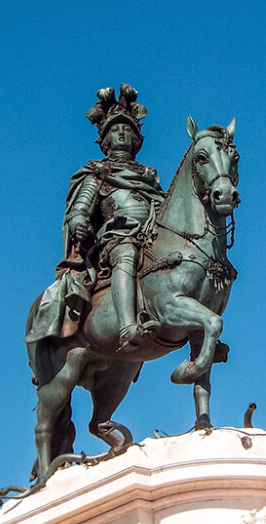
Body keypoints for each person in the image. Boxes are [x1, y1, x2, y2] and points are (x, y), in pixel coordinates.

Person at [26, 84, 165, 348]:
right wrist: (79, 222)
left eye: (127, 129)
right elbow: (80, 209)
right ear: (105, 138)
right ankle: (127, 326)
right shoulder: (96, 173)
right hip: (115, 240)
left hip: (151, 238)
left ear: (136, 139)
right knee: (126, 253)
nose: (122, 133)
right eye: (115, 130)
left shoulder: (149, 176)